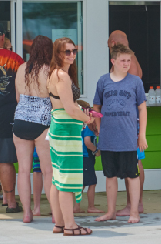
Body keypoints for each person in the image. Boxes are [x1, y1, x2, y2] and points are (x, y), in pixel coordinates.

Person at [93, 44, 148, 224]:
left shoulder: (135, 82)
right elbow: (96, 107)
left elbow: (142, 109)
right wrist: (99, 129)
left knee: (132, 175)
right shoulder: (103, 81)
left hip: (128, 137)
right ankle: (111, 212)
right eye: (123, 60)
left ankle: (134, 212)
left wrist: (142, 135)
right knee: (110, 175)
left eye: (128, 60)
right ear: (113, 61)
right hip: (108, 138)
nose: (126, 64)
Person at [47, 37, 94, 236]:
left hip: (59, 128)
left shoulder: (55, 74)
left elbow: (66, 105)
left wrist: (81, 113)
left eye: (74, 51)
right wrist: (88, 119)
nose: (72, 55)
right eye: (67, 51)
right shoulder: (62, 76)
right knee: (67, 180)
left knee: (57, 179)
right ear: (58, 53)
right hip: (66, 130)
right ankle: (70, 226)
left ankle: (59, 224)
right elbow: (69, 108)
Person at [13, 35, 53, 223]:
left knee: (23, 170)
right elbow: (55, 100)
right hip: (42, 124)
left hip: (20, 121)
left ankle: (27, 213)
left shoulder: (21, 69)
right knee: (48, 170)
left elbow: (18, 99)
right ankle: (56, 212)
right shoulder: (50, 71)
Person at [0, 21, 24, 213]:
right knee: (5, 160)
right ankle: (9, 202)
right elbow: (23, 90)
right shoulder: (15, 59)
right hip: (5, 117)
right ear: (2, 37)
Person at [108, 30, 145, 216]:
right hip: (132, 120)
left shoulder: (127, 65)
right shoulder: (134, 60)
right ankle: (136, 203)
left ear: (113, 43)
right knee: (136, 160)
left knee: (134, 162)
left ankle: (134, 205)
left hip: (129, 122)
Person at [73, 100, 104, 214]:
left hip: (78, 157)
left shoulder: (78, 123)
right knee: (92, 183)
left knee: (81, 183)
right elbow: (87, 142)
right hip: (86, 157)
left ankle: (76, 206)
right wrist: (96, 150)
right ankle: (91, 206)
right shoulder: (87, 127)